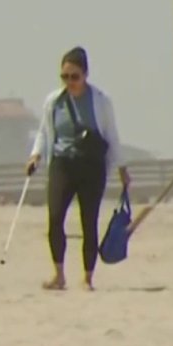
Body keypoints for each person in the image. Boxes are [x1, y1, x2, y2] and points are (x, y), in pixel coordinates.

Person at [26, 45, 130, 291]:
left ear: (85, 75)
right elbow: (44, 131)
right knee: (54, 219)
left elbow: (112, 135)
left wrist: (122, 168)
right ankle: (59, 274)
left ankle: (87, 277)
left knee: (88, 221)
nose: (70, 82)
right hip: (62, 163)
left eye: (75, 77)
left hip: (91, 166)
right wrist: (35, 156)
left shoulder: (101, 101)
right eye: (65, 77)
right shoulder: (53, 101)